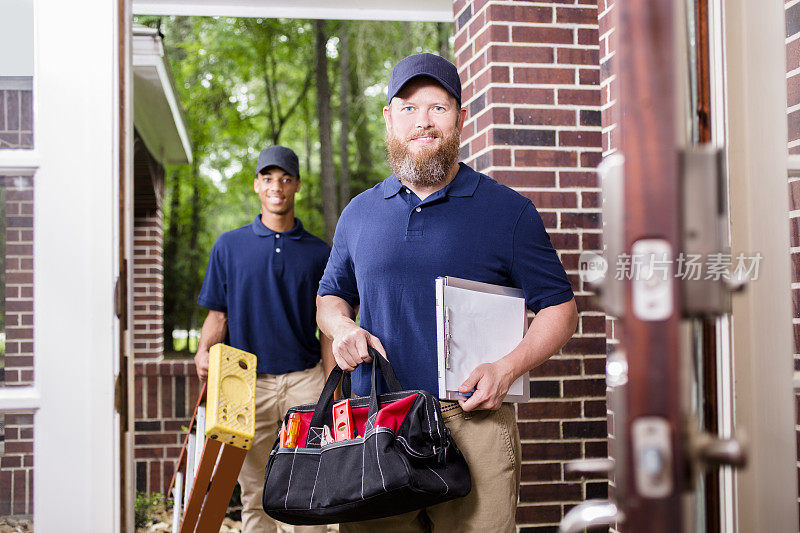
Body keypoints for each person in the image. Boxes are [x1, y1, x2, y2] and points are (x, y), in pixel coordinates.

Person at [316, 53, 578, 532]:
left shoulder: (509, 212)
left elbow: (560, 308)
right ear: (389, 119)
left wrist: (507, 368)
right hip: (377, 421)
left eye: (437, 108)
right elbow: (331, 296)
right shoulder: (358, 214)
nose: (423, 122)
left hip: (474, 420)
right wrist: (342, 327)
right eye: (409, 108)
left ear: (460, 118)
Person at [194, 145, 331, 533]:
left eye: (286, 179)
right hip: (244, 385)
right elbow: (217, 315)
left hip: (305, 381)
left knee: (308, 490)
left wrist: (332, 384)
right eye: (268, 178)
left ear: (297, 186)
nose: (277, 187)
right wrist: (204, 351)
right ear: (257, 184)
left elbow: (328, 325)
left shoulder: (319, 252)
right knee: (255, 494)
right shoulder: (229, 246)